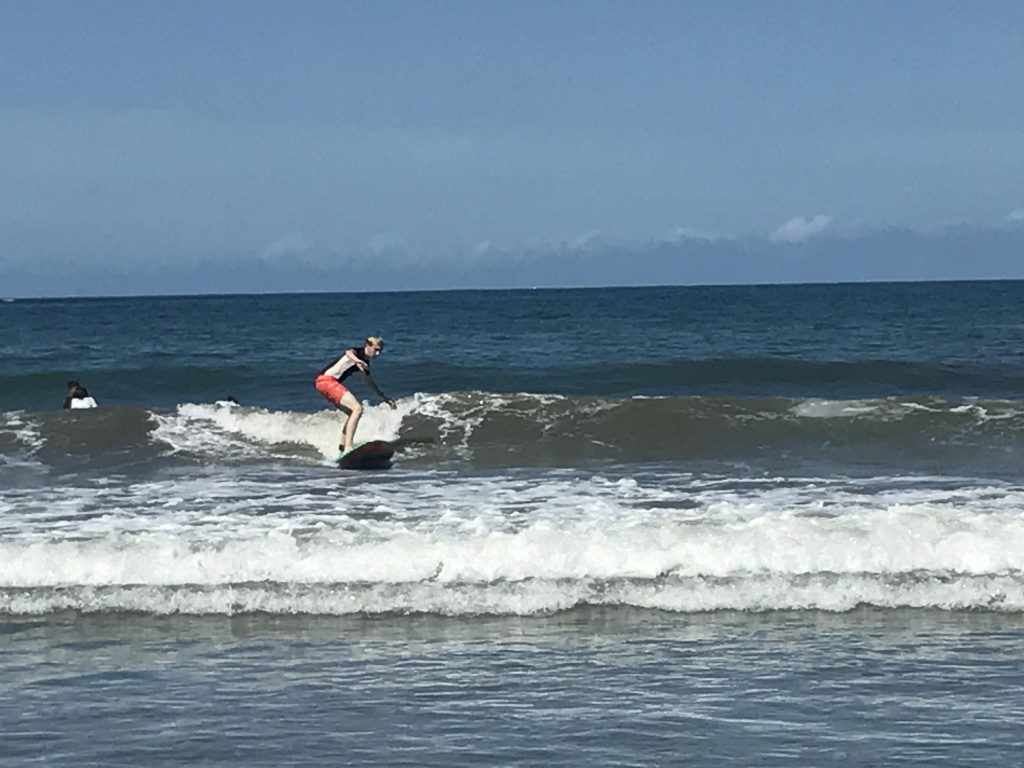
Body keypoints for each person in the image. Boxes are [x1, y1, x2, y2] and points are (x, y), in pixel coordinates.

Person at [315, 336, 396, 456]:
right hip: (327, 381)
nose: (377, 353)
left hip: (323, 383)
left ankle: (342, 448)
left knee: (352, 413)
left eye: (380, 351)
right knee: (357, 409)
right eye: (375, 349)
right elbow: (348, 352)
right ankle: (348, 447)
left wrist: (385, 399)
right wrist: (357, 360)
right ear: (367, 345)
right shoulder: (357, 353)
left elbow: (369, 383)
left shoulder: (364, 362)